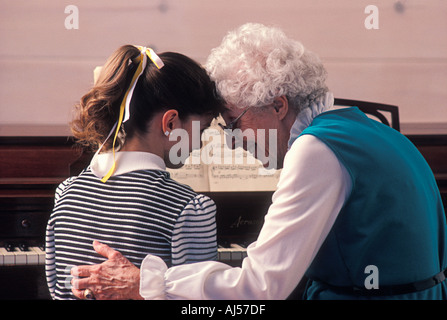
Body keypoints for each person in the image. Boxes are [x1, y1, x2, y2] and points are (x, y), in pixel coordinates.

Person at [70, 23, 447, 300]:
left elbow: (261, 288)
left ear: (278, 105)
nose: (231, 142)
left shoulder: (315, 149)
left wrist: (148, 284)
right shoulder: (368, 129)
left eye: (234, 123)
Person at [45, 45, 224, 299]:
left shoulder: (66, 193)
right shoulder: (190, 208)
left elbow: (56, 290)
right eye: (203, 129)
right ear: (171, 122)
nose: (200, 143)